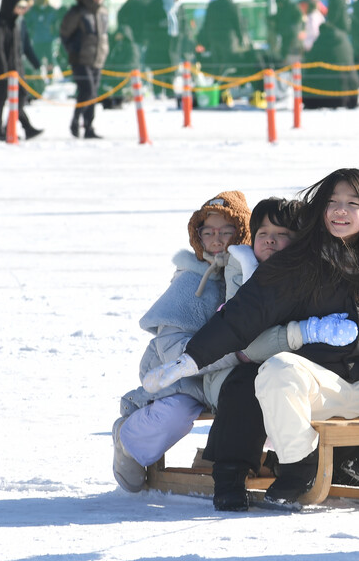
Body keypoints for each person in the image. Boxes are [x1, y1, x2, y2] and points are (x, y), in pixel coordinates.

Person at [144, 169, 359, 511]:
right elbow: (243, 314)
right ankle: (301, 466)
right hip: (318, 389)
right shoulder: (297, 262)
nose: (340, 211)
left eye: (351, 203)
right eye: (332, 202)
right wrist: (192, 358)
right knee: (276, 369)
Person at [112, 191, 253, 493]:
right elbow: (172, 347)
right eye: (209, 231)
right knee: (176, 413)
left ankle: (245, 460)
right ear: (197, 236)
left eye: (227, 231)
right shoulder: (191, 280)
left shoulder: (248, 274)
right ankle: (130, 440)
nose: (217, 239)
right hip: (178, 374)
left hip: (229, 377)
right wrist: (233, 355)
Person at [0, 0, 43, 141]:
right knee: (0, 98)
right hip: (1, 70)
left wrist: (35, 63)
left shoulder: (15, 22)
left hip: (16, 70)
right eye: (19, 6)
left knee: (21, 95)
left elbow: (22, 47)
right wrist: (3, 72)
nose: (22, 10)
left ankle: (14, 127)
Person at [59, 0, 109, 139]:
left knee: (91, 94)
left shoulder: (103, 11)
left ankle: (88, 127)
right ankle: (75, 121)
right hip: (81, 58)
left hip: (97, 58)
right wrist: (73, 50)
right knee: (88, 91)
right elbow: (65, 32)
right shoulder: (78, 11)